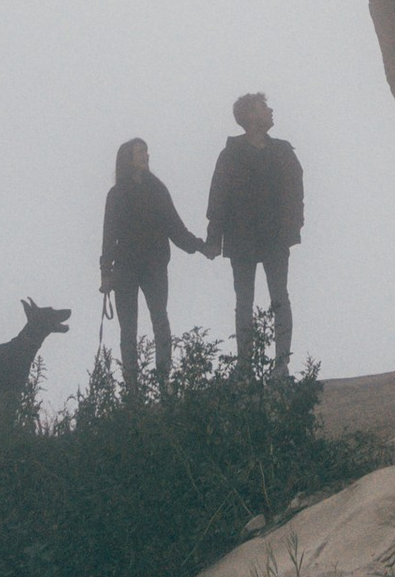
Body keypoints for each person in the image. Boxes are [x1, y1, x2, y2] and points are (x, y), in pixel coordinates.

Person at [204, 91, 304, 378]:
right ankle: (245, 365)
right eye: (264, 107)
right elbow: (218, 198)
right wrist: (214, 238)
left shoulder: (282, 150)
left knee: (278, 298)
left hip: (274, 237)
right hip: (242, 238)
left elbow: (296, 192)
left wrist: (292, 226)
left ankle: (280, 364)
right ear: (250, 115)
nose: (271, 111)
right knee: (246, 302)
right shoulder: (231, 154)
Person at [99, 138, 204, 401]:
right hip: (126, 269)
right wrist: (106, 271)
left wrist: (198, 246)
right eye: (140, 152)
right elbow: (108, 235)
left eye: (146, 151)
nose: (146, 155)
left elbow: (175, 227)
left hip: (154, 266)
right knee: (129, 328)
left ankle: (163, 378)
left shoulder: (157, 190)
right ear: (128, 158)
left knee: (160, 321)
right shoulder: (117, 194)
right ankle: (133, 386)